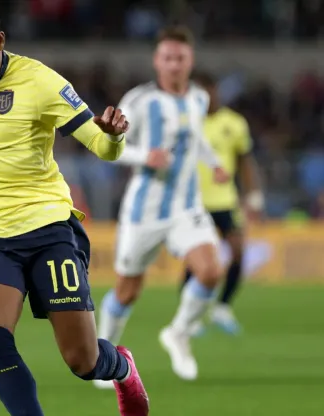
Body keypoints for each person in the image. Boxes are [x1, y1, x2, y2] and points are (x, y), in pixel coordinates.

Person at [0, 1, 149, 415]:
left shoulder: (41, 82)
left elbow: (102, 147)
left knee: (83, 361)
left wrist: (112, 136)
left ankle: (123, 368)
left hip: (46, 230)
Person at [95, 26, 230, 386]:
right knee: (128, 289)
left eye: (180, 58)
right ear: (157, 61)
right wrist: (145, 156)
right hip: (144, 212)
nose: (174, 64)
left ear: (190, 61)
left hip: (187, 208)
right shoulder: (139, 101)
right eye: (167, 58)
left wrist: (214, 162)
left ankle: (180, 332)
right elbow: (110, 147)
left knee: (211, 270)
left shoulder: (199, 98)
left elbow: (196, 137)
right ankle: (102, 356)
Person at [180, 72, 264, 335]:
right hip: (193, 203)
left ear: (216, 92)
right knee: (196, 262)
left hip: (225, 200)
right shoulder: (186, 123)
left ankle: (222, 308)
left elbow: (244, 161)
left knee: (238, 252)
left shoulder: (234, 123)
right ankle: (190, 318)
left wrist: (253, 194)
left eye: (210, 92)